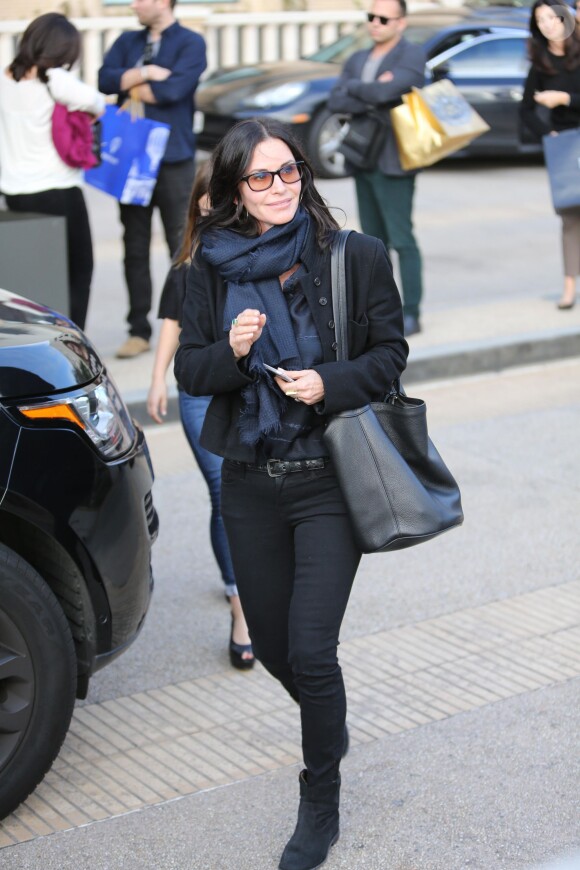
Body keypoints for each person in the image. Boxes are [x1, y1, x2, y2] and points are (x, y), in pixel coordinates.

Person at [174, 117, 408, 870]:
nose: (280, 188)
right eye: (261, 177)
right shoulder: (206, 268)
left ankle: (320, 798)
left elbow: (390, 354)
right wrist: (235, 353)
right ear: (235, 189)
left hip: (329, 481)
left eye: (290, 172)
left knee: (311, 651)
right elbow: (191, 375)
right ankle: (327, 725)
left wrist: (327, 383)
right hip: (249, 481)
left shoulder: (355, 256)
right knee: (273, 647)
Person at [147, 162, 254, 669]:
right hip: (197, 393)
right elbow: (170, 322)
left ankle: (250, 578)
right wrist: (155, 380)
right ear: (197, 205)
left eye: (225, 197)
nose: (216, 208)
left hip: (244, 388)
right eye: (208, 199)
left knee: (246, 489)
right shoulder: (187, 266)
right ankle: (240, 608)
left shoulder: (253, 258)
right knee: (223, 491)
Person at [98, 0, 207, 359]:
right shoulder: (127, 40)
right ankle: (138, 330)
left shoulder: (191, 42)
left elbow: (173, 92)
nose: (134, 4)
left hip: (173, 158)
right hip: (132, 158)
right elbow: (104, 79)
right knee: (135, 245)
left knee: (184, 245)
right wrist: (148, 73)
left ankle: (186, 326)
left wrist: (132, 81)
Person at [0, 13, 105, 331]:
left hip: (14, 196)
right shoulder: (55, 79)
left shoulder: (4, 79)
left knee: (29, 280)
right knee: (79, 271)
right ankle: (72, 341)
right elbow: (98, 103)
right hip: (59, 192)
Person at [327, 0, 426, 337]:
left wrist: (363, 90)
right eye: (371, 17)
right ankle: (382, 312)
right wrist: (371, 91)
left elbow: (391, 90)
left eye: (383, 18)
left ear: (401, 22)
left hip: (395, 159)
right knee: (373, 242)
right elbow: (336, 99)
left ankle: (411, 311)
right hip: (362, 155)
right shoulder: (357, 58)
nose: (375, 23)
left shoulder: (411, 55)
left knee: (402, 238)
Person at [520, 0, 580, 310]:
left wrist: (564, 98)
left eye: (552, 17)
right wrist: (547, 134)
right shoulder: (540, 63)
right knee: (570, 219)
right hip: (566, 147)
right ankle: (569, 287)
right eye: (540, 20)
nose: (547, 24)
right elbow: (525, 110)